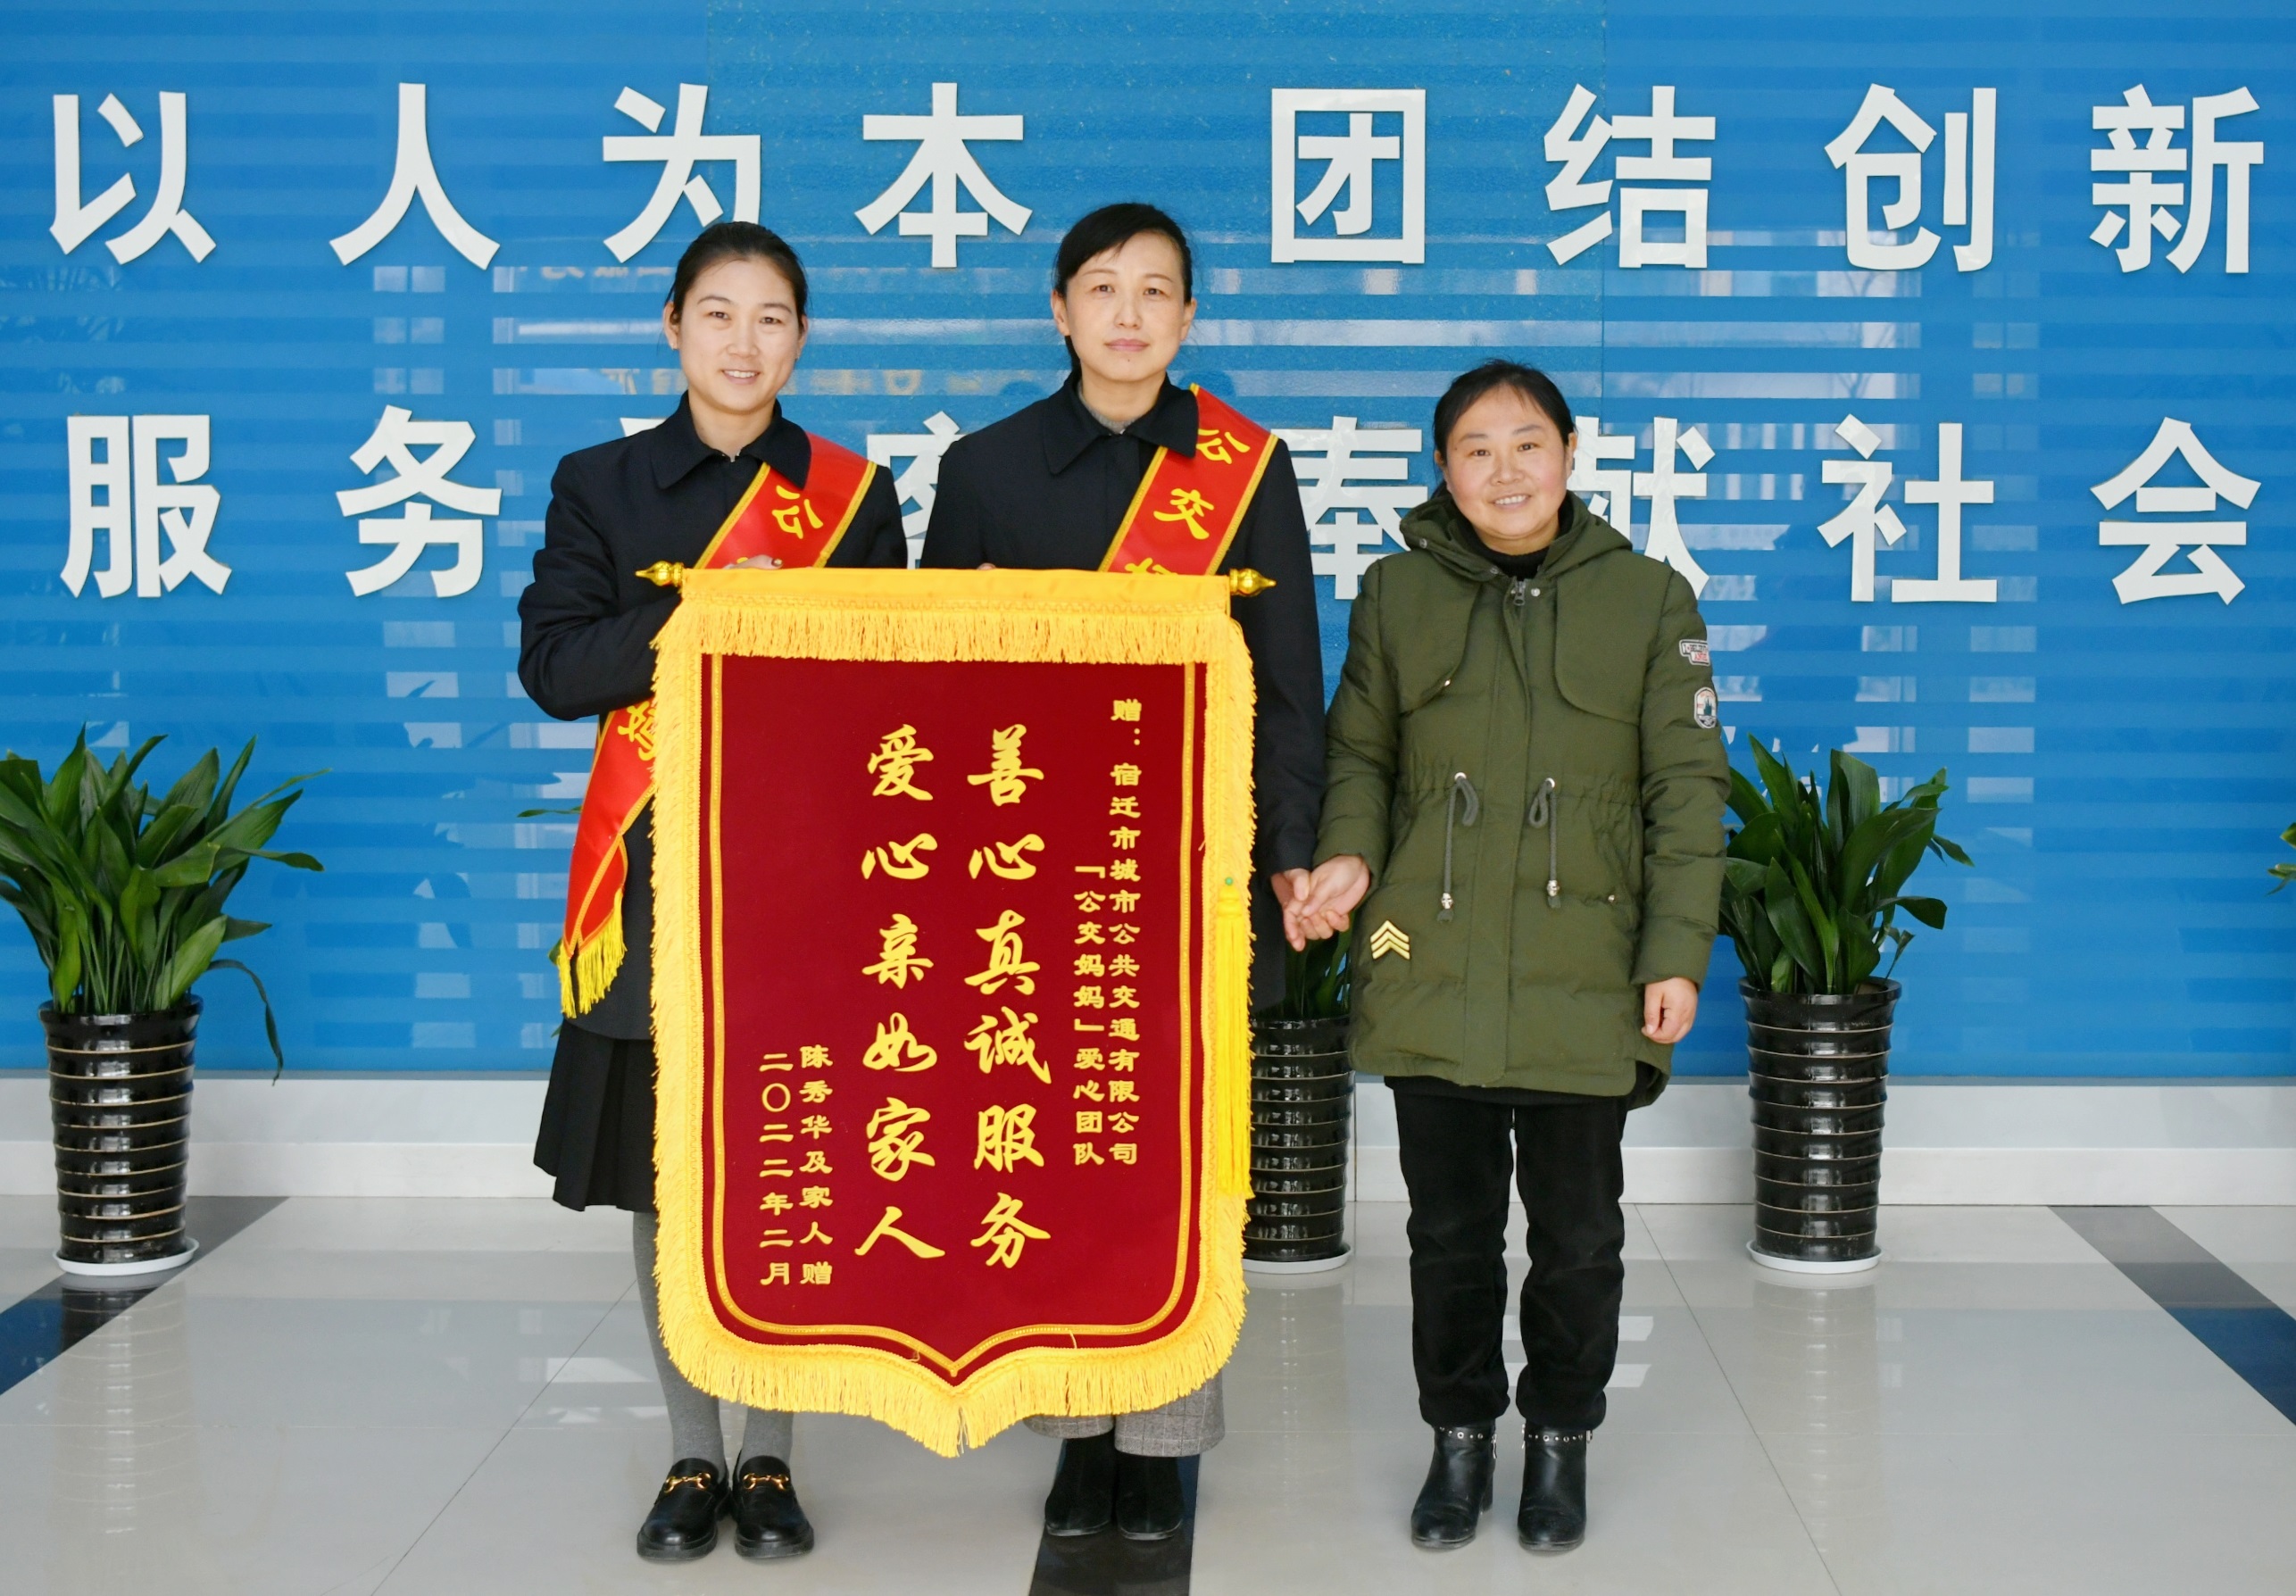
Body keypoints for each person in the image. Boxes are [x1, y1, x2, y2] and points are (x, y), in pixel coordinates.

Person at [920, 203, 1324, 1542]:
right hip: (1030, 872)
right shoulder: (983, 471)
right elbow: (935, 689)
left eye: (1156, 291)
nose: (1130, 314)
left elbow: (1290, 683)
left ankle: (1162, 1440)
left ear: (1190, 316)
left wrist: (1289, 853)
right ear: (1059, 309)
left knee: (1179, 1162)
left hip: (1193, 872)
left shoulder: (1246, 472)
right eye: (1103, 288)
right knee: (1048, 1151)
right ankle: (1074, 1430)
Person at [1285, 361, 1727, 1554]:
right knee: (1449, 1237)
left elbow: (1688, 794)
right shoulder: (1396, 593)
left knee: (1579, 1240)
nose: (1505, 470)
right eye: (1475, 449)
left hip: (1589, 976)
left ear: (1571, 456)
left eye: (1528, 443)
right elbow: (1361, 757)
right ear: (1443, 469)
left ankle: (1561, 1439)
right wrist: (1345, 861)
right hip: (1426, 959)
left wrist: (1674, 955)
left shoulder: (1649, 599)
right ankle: (1460, 1438)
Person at [520, 221, 907, 1563]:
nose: (745, 343)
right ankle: (694, 1449)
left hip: (808, 875)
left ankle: (775, 1452)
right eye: (720, 314)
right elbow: (557, 669)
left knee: (791, 1156)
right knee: (663, 1175)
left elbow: (889, 694)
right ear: (673, 326)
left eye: (773, 318)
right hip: (651, 877)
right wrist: (707, 613)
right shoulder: (601, 484)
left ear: (802, 340)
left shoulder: (855, 498)